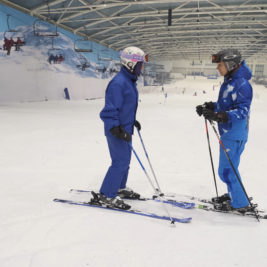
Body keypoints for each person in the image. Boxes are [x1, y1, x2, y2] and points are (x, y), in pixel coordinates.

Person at [196, 49, 253, 213]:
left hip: (235, 134)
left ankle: (240, 203)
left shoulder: (242, 84)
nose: (217, 68)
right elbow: (228, 104)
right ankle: (234, 195)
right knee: (228, 169)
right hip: (229, 132)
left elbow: (242, 111)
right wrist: (211, 107)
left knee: (227, 171)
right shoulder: (230, 81)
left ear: (230, 64)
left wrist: (220, 115)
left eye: (220, 64)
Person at [93, 46, 147, 210]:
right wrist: (116, 128)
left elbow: (124, 107)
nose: (142, 67)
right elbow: (109, 110)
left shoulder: (129, 81)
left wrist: (131, 121)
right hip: (116, 131)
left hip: (125, 129)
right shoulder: (119, 83)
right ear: (131, 64)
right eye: (140, 64)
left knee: (125, 161)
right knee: (120, 162)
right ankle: (106, 195)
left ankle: (119, 187)